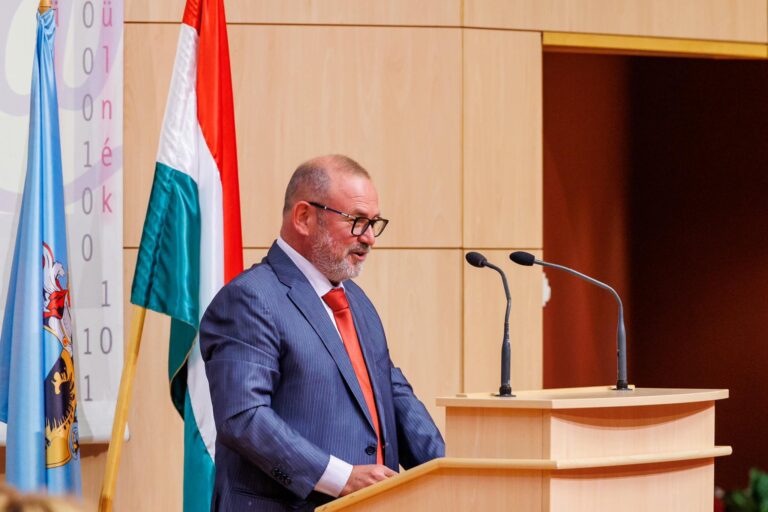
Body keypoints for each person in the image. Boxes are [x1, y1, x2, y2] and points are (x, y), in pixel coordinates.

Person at [200, 155, 445, 511]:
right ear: (304, 217)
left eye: (374, 223)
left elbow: (393, 396)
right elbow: (244, 417)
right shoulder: (249, 299)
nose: (370, 238)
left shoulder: (356, 301)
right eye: (357, 221)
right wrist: (341, 478)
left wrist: (450, 470)